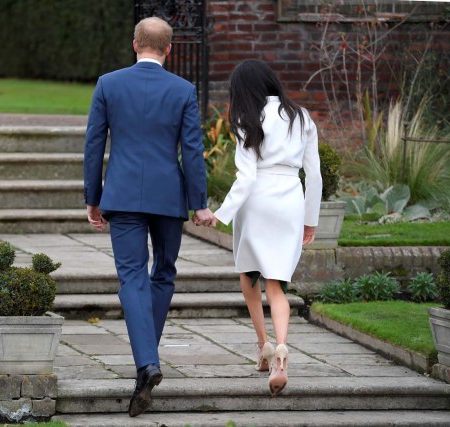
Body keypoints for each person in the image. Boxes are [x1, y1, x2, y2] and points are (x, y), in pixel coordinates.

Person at [84, 16, 214, 417]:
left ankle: (147, 363)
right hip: (167, 197)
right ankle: (148, 362)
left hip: (121, 196)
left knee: (132, 278)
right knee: (164, 273)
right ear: (170, 49)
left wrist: (93, 197)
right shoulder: (183, 89)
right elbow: (191, 150)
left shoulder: (108, 83)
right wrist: (200, 202)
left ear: (135, 43)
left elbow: (94, 143)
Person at [210, 59, 322, 397]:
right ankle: (281, 350)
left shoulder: (248, 120)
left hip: (257, 200)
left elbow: (246, 177)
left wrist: (220, 213)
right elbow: (313, 175)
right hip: (290, 198)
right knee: (277, 286)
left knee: (248, 275)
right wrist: (310, 219)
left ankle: (263, 346)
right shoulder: (302, 117)